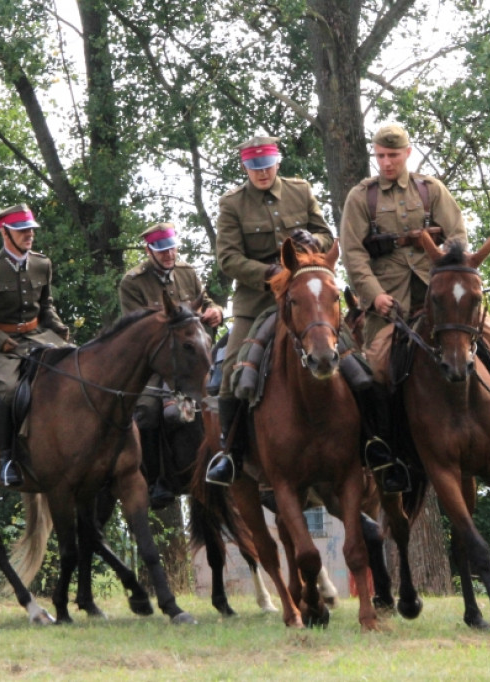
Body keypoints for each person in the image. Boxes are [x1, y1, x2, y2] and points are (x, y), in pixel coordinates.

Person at [340, 124, 490, 461]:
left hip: (444, 300)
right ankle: (385, 449)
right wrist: (374, 295)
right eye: (380, 156)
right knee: (376, 367)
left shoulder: (430, 189)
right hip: (390, 305)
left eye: (393, 155)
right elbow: (353, 254)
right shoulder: (361, 197)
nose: (386, 162)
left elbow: (457, 238)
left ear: (407, 153)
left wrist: (449, 276)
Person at [205, 134, 338, 487]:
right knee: (233, 367)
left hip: (309, 296)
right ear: (245, 168)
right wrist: (269, 273)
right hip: (258, 300)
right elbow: (228, 258)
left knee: (359, 356)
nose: (262, 173)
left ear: (277, 163)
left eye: (266, 166)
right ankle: (229, 454)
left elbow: (326, 234)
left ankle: (375, 442)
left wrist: (315, 242)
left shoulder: (301, 190)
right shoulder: (231, 204)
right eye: (254, 168)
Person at [0, 203, 71, 487]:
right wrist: (1, 342)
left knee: (78, 370)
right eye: (22, 231)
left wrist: (58, 327)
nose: (29, 235)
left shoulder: (41, 263)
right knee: (10, 391)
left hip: (38, 336)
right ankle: (7, 457)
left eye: (31, 230)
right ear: (5, 232)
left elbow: (45, 305)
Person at [120, 222, 223, 507]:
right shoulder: (133, 282)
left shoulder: (187, 272)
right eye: (161, 250)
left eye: (171, 248)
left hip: (194, 358)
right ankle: (156, 481)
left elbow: (207, 302)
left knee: (228, 395)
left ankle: (232, 462)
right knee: (150, 413)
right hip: (155, 363)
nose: (168, 255)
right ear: (149, 250)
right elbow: (137, 329)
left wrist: (216, 312)